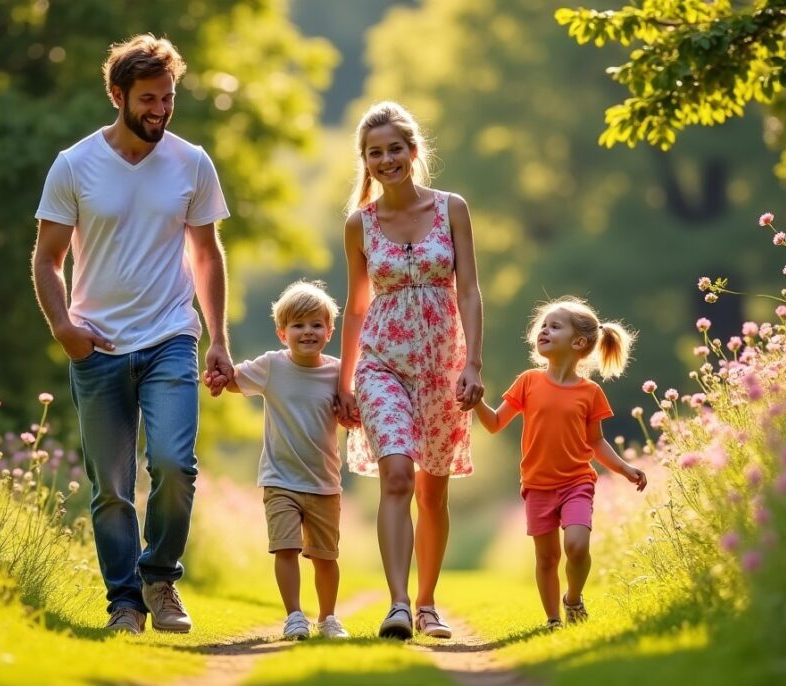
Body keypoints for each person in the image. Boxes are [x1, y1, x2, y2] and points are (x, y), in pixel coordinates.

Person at [31, 34, 234, 635]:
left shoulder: (192, 161)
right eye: (148, 98)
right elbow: (47, 259)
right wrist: (64, 328)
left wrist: (218, 337)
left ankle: (160, 576)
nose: (161, 111)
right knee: (112, 487)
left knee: (174, 465)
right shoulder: (74, 165)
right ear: (116, 95)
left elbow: (207, 254)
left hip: (171, 334)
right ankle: (124, 602)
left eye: (168, 99)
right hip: (97, 347)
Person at [335, 101, 484, 640]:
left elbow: (468, 289)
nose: (387, 159)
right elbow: (355, 307)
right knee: (397, 474)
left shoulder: (452, 209)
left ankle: (426, 603)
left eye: (395, 148)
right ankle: (397, 604)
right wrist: (344, 380)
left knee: (432, 493)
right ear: (366, 162)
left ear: (414, 151)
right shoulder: (360, 225)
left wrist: (473, 363)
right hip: (382, 364)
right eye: (375, 153)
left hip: (443, 365)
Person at [474, 297, 647, 628]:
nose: (544, 330)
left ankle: (573, 598)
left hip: (576, 482)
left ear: (579, 342)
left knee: (577, 545)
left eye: (555, 326)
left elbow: (595, 441)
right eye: (543, 325)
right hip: (537, 485)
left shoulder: (590, 392)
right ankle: (554, 620)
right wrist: (477, 401)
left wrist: (624, 469)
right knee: (547, 558)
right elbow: (495, 423)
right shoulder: (528, 381)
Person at [210, 280, 350, 640]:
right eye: (298, 325)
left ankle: (329, 618)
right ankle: (294, 616)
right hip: (279, 480)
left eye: (316, 325)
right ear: (282, 331)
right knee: (285, 548)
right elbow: (233, 380)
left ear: (329, 331)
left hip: (324, 482)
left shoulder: (338, 373)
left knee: (325, 556)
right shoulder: (271, 366)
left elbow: (357, 411)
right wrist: (217, 375)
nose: (307, 332)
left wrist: (354, 412)